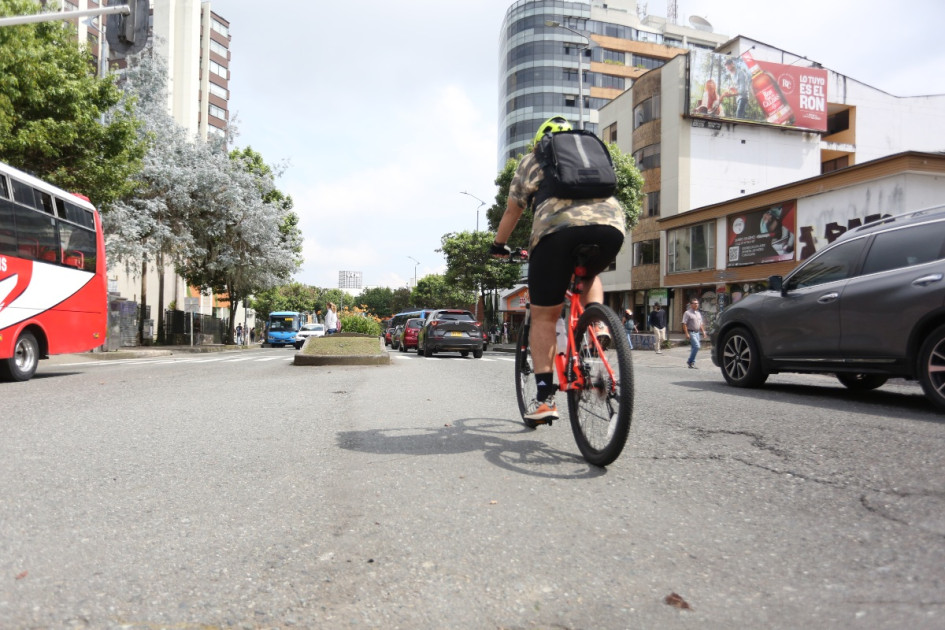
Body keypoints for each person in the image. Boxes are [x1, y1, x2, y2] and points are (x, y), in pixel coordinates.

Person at [491, 115, 626, 423]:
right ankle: (598, 324)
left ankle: (544, 398)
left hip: (557, 232)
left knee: (543, 316)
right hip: (611, 225)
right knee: (589, 274)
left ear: (541, 141)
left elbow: (514, 209)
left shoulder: (533, 159)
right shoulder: (591, 153)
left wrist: (498, 245)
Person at [682, 298, 707, 369]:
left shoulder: (698, 313)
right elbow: (684, 323)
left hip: (697, 333)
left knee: (694, 348)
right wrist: (686, 333)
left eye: (697, 303)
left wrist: (703, 332)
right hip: (691, 332)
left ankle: (692, 363)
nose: (696, 305)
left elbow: (700, 324)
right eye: (694, 303)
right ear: (691, 304)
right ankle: (690, 361)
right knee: (697, 346)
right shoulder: (687, 313)